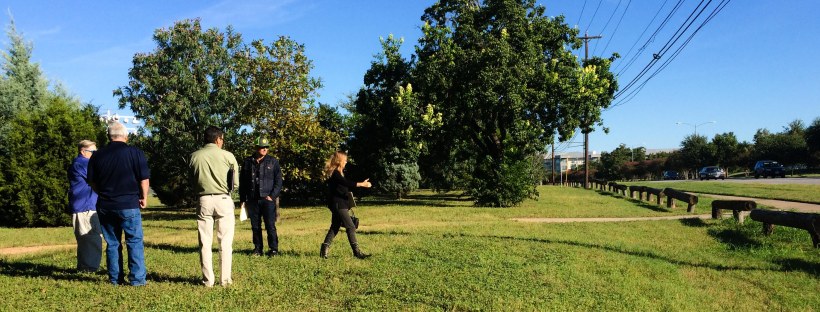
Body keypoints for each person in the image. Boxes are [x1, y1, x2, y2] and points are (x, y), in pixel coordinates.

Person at [87, 121, 150, 286]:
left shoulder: (97, 155)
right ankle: (137, 279)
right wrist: (144, 197)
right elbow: (144, 179)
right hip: (129, 203)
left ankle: (115, 278)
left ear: (109, 136)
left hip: (106, 205)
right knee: (134, 241)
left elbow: (92, 181)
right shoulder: (135, 153)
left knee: (113, 243)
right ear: (126, 136)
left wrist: (102, 193)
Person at [190, 126, 239, 287]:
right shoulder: (228, 156)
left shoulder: (194, 156)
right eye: (222, 139)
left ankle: (208, 280)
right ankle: (225, 279)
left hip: (203, 199)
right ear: (218, 139)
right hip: (223, 199)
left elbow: (192, 180)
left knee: (205, 242)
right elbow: (235, 183)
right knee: (225, 242)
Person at [320, 151, 372, 259]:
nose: (346, 162)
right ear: (339, 161)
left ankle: (323, 251)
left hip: (340, 204)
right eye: (345, 160)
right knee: (351, 226)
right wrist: (362, 184)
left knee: (335, 227)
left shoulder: (339, 174)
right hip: (338, 205)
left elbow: (343, 187)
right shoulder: (335, 174)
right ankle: (357, 253)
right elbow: (346, 183)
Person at [239, 137, 283, 257]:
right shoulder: (248, 162)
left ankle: (273, 249)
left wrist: (272, 196)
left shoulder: (273, 161)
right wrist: (243, 199)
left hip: (267, 199)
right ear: (256, 147)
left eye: (266, 147)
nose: (264, 149)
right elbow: (243, 182)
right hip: (252, 199)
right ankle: (258, 249)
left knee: (270, 226)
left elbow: (279, 181)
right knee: (255, 226)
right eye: (262, 147)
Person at [67, 139, 102, 272]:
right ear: (83, 151)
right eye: (93, 152)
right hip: (85, 207)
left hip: (85, 205)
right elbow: (98, 178)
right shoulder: (82, 163)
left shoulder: (80, 163)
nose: (95, 154)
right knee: (91, 237)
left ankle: (86, 267)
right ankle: (88, 268)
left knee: (87, 238)